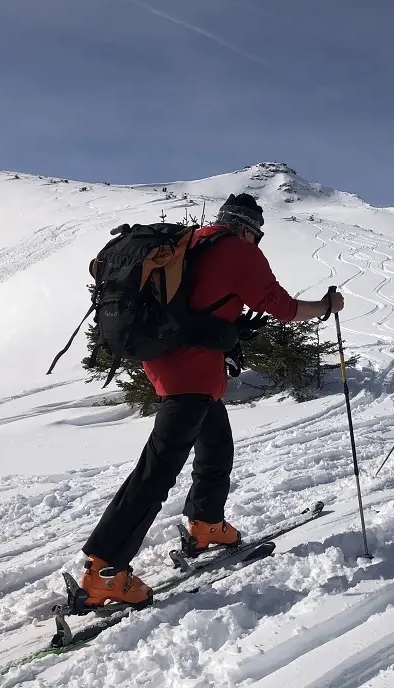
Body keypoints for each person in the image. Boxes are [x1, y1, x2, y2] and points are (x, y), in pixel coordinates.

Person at [78, 193, 345, 607]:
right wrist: (327, 306)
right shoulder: (238, 251)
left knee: (216, 444)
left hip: (172, 364)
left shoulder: (193, 243)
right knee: (157, 470)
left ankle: (208, 523)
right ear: (247, 229)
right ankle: (105, 570)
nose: (256, 242)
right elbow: (285, 309)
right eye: (256, 235)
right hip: (191, 374)